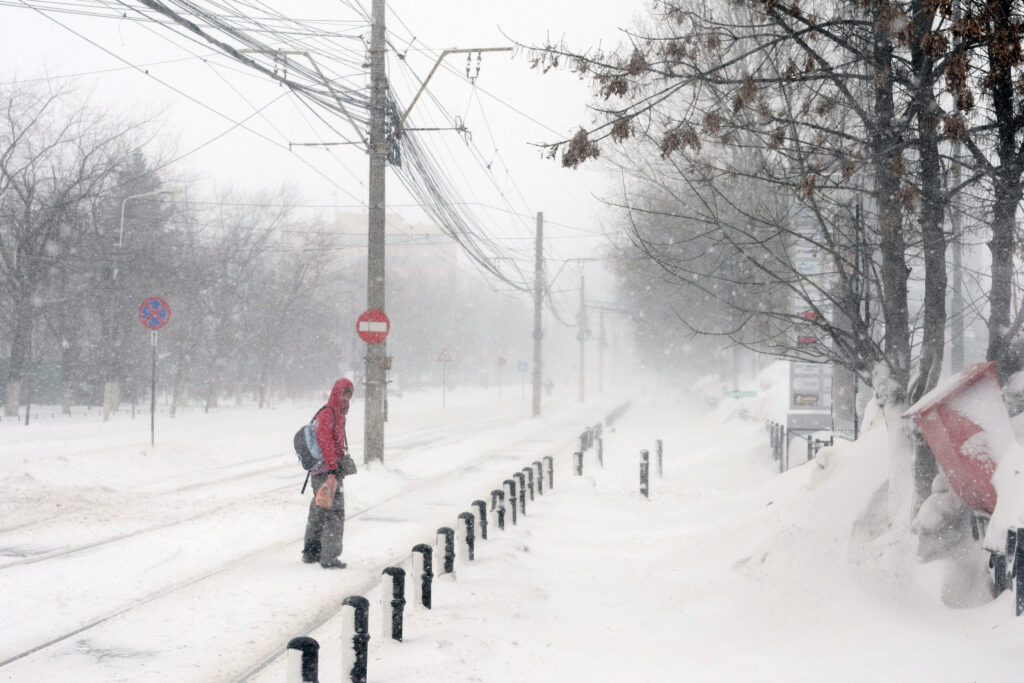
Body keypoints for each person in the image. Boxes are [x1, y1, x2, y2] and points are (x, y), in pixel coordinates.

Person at [301, 377, 353, 569]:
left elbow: (334, 443)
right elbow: (325, 441)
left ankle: (311, 551)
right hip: (326, 471)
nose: (346, 400)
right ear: (336, 393)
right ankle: (329, 556)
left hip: (323, 470)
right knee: (334, 511)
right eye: (344, 395)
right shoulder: (329, 413)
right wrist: (333, 468)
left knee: (320, 509)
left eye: (349, 397)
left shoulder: (336, 413)